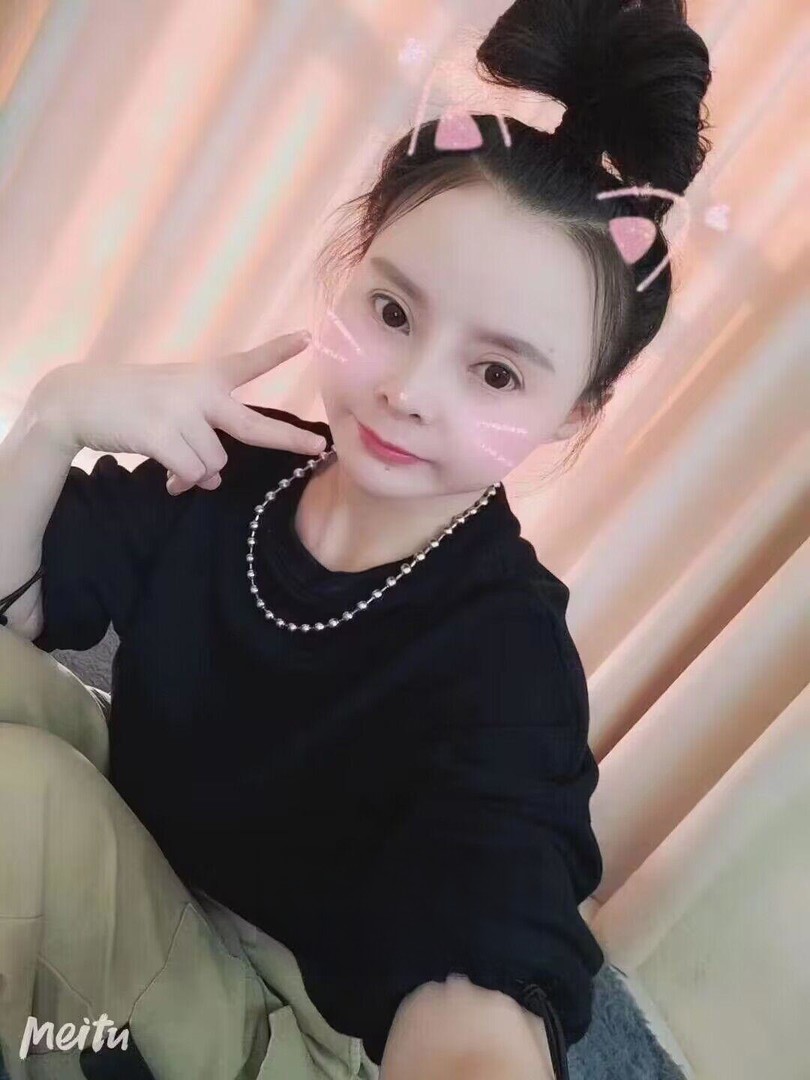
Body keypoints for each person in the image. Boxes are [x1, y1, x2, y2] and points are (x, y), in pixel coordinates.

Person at [0, 1, 712, 1077]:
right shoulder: (241, 464)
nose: (409, 390)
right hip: (149, 844)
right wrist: (57, 413)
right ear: (355, 264)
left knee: (19, 798)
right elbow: (22, 607)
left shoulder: (509, 657)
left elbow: (494, 914)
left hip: (282, 1011)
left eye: (497, 373)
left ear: (573, 414)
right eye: (392, 312)